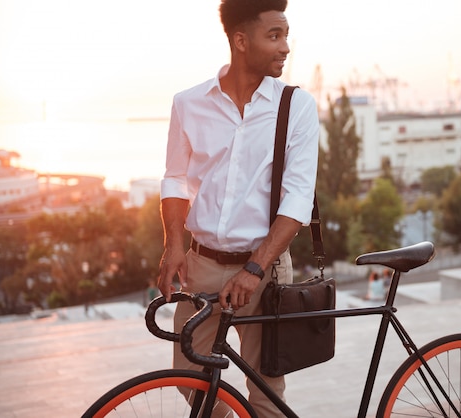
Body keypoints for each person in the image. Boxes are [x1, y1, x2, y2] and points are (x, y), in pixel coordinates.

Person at [157, 1, 319, 416]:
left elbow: (298, 199)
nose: (285, 48)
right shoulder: (189, 103)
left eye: (286, 35)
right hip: (203, 263)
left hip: (266, 268)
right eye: (274, 36)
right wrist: (173, 245)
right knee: (189, 379)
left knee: (267, 390)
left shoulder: (295, 106)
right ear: (240, 41)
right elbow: (175, 178)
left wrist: (255, 267)